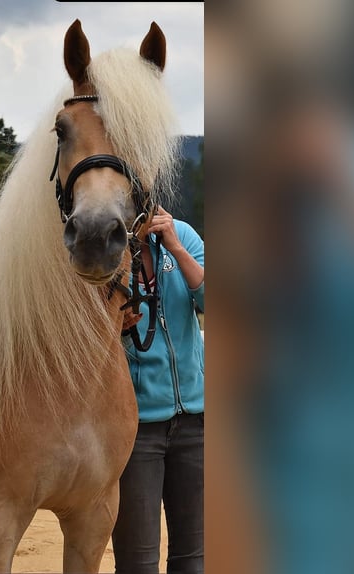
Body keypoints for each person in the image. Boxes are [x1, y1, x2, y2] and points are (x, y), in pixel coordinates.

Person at [112, 205, 205, 574]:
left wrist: (176, 249)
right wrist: (115, 326)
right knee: (138, 563)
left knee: (194, 560)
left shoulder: (183, 234)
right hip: (136, 428)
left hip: (197, 422)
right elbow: (79, 335)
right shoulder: (104, 248)